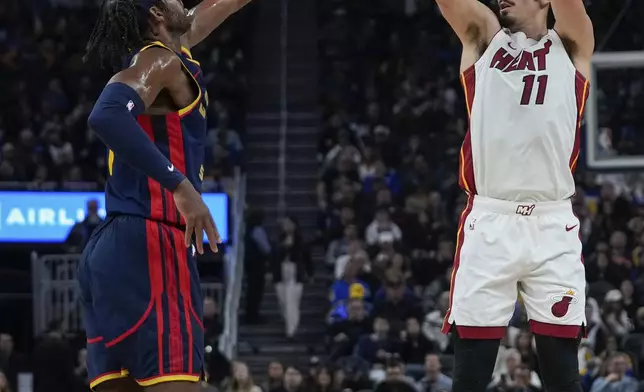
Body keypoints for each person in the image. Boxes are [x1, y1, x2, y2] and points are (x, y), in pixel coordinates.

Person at [78, 0, 251, 391]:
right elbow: (106, 115)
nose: (184, 2)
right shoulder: (160, 62)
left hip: (112, 249)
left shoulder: (175, 51)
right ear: (157, 14)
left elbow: (219, 7)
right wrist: (182, 186)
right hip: (150, 243)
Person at [435, 0, 594, 390]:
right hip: (492, 219)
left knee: (562, 375)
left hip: (552, 223)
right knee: (469, 374)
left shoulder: (571, 43)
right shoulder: (485, 36)